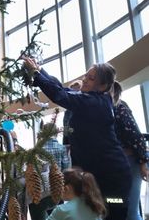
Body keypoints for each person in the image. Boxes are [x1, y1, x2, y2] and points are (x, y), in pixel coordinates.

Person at [22, 57, 132, 220]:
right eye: (86, 75)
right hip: (98, 175)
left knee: (112, 213)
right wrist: (40, 70)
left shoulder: (95, 102)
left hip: (112, 178)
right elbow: (61, 89)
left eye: (91, 78)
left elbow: (59, 95)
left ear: (102, 86)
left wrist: (37, 74)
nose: (84, 80)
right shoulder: (91, 99)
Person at [111, 81, 149, 220]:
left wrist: (143, 163)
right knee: (122, 206)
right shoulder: (107, 108)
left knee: (130, 209)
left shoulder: (120, 106)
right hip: (120, 162)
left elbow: (135, 135)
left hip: (130, 160)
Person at [29, 122, 71, 220]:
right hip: (57, 188)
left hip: (40, 190)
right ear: (56, 133)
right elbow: (66, 170)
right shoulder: (62, 148)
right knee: (56, 216)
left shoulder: (37, 149)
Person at [63, 80, 82, 146]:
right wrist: (66, 143)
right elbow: (66, 127)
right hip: (72, 141)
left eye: (77, 90)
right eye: (72, 90)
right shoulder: (67, 111)